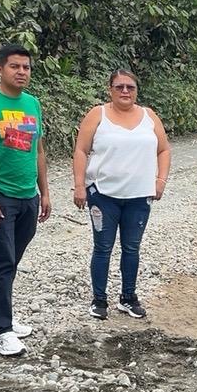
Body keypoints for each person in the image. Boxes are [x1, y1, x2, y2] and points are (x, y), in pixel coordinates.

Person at [71, 69, 171, 319]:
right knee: (103, 247)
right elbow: (81, 150)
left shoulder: (149, 116)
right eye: (119, 87)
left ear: (136, 90)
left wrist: (161, 180)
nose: (125, 91)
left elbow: (164, 150)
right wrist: (80, 185)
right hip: (103, 194)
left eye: (130, 87)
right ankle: (99, 300)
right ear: (110, 90)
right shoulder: (98, 114)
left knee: (132, 247)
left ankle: (128, 297)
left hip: (139, 196)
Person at [0, 44, 52, 357]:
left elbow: (39, 150)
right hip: (0, 196)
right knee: (2, 261)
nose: (21, 72)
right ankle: (1, 330)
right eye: (14, 66)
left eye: (26, 67)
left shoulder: (32, 103)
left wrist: (44, 192)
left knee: (13, 260)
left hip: (28, 196)